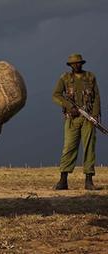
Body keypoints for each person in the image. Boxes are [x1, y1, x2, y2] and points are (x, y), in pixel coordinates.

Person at [52, 53, 101, 191]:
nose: (76, 65)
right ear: (70, 65)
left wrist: (96, 114)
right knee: (69, 147)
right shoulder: (65, 78)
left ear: (82, 63)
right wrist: (69, 106)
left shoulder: (90, 77)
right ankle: (63, 180)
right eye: (73, 63)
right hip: (71, 119)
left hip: (88, 117)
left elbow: (96, 96)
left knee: (89, 147)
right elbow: (56, 95)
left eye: (78, 63)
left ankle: (89, 180)